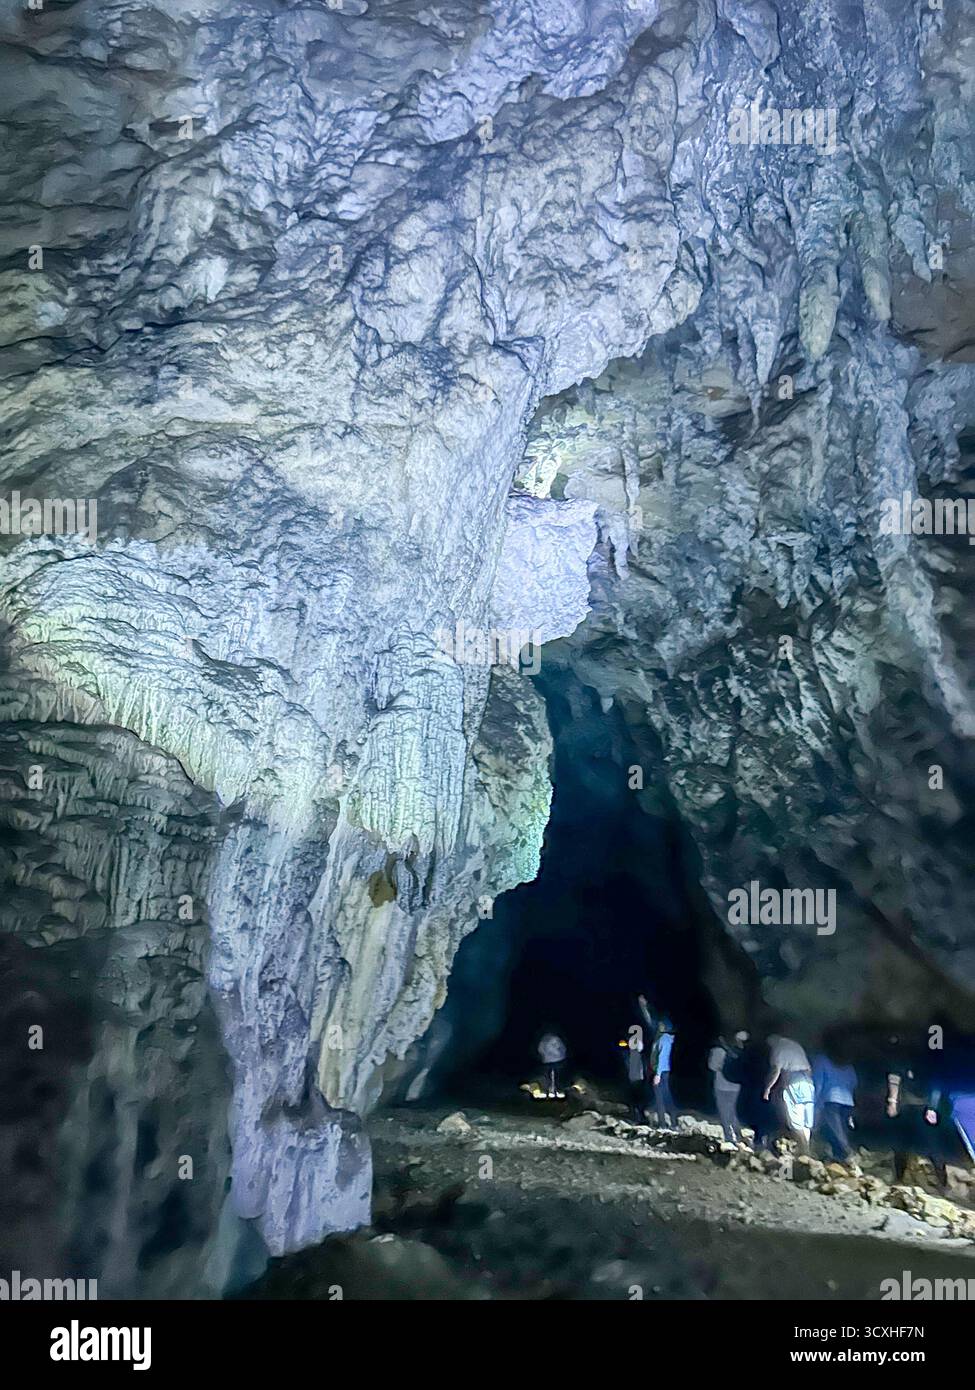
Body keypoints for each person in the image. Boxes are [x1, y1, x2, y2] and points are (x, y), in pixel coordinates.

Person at [885, 1036, 947, 1189]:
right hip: (907, 1108)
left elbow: (936, 1085)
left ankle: (943, 1183)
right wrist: (892, 1102)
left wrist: (932, 1108)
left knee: (932, 1145)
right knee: (901, 1145)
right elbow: (895, 1080)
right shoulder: (902, 1061)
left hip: (924, 1108)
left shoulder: (928, 1064)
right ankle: (899, 1179)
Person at [764, 1033, 815, 1155]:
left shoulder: (778, 1049)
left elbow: (776, 1070)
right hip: (808, 1083)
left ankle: (805, 1150)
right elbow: (809, 1069)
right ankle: (805, 1148)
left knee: (795, 1120)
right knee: (806, 1121)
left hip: (793, 1083)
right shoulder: (796, 1045)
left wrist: (768, 1088)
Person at [812, 1042, 858, 1165]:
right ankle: (838, 1159)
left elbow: (818, 1083)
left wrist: (815, 1104)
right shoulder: (847, 1065)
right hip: (848, 1102)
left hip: (831, 1101)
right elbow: (853, 1082)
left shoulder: (821, 1060)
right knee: (841, 1130)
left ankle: (847, 1155)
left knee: (835, 1131)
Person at [709, 1031, 748, 1144]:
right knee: (733, 1111)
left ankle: (729, 1137)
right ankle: (739, 1135)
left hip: (721, 1085)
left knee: (724, 1112)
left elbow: (712, 1066)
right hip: (736, 1086)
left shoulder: (718, 1051)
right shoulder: (741, 1052)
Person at [650, 1019, 679, 1129]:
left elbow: (662, 1057)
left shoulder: (664, 1039)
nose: (659, 1026)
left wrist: (657, 1074)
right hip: (662, 1071)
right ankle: (671, 1122)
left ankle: (664, 1124)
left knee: (661, 1098)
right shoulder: (663, 1038)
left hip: (661, 1072)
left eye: (661, 1025)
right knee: (665, 1097)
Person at [622, 1026, 649, 1121]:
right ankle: (639, 1116)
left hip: (635, 1079)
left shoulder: (633, 1055)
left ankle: (639, 1117)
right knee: (637, 1100)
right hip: (637, 1079)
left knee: (636, 1099)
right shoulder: (636, 1055)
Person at [537, 1031, 567, 1098]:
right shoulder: (548, 1040)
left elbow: (540, 1049)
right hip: (551, 1060)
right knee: (551, 1076)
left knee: (552, 1076)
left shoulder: (550, 1040)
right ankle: (550, 1090)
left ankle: (552, 1090)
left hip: (553, 1060)